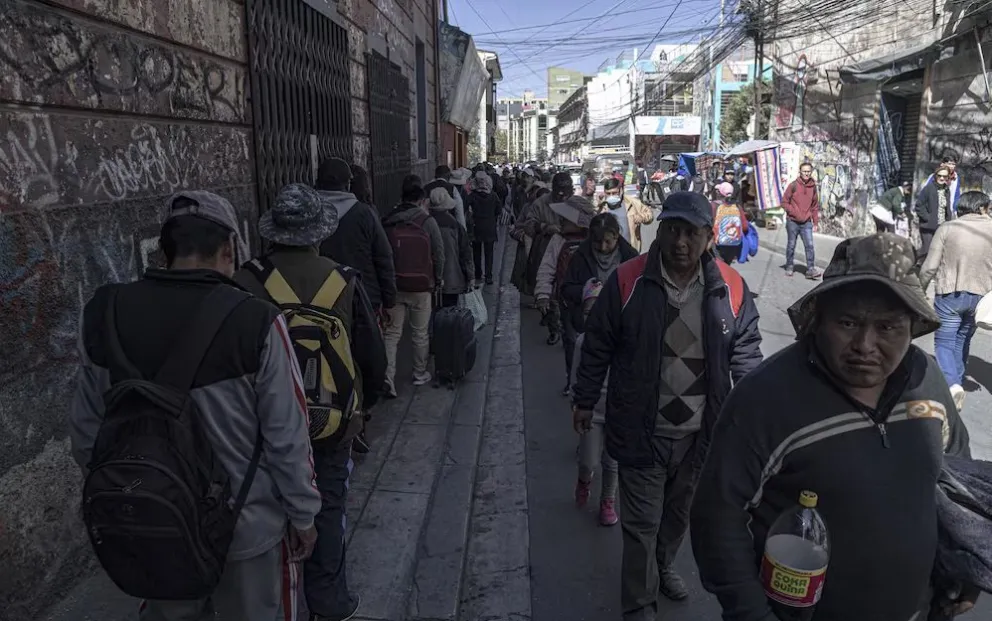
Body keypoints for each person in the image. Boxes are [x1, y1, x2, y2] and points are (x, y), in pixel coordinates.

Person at [691, 233, 976, 621]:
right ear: (817, 320)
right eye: (848, 322)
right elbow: (717, 516)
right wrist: (751, 613)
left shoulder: (926, 379)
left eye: (888, 327)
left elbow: (957, 485)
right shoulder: (765, 398)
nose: (865, 344)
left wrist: (962, 569)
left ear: (912, 327)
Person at [69, 191, 321, 620]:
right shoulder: (258, 320)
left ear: (165, 251)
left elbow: (87, 433)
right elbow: (287, 435)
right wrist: (303, 514)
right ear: (229, 249)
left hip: (158, 523)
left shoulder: (103, 312)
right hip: (246, 527)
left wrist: (136, 490)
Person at [572, 191, 763, 620]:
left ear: (709, 237)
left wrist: (754, 418)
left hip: (701, 434)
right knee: (640, 524)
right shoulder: (627, 279)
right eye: (672, 230)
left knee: (678, 517)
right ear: (659, 230)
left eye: (691, 233)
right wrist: (585, 400)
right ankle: (639, 604)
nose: (680, 242)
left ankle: (663, 564)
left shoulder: (731, 288)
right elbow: (597, 344)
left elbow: (747, 354)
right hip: (640, 427)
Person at [234, 184, 387, 621]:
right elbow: (371, 357)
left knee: (265, 505)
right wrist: (362, 408)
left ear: (274, 234)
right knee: (329, 506)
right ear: (319, 233)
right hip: (332, 423)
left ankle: (277, 595)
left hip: (263, 423)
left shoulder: (247, 280)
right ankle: (329, 601)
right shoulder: (344, 280)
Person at [921, 191, 992, 411]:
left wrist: (920, 288)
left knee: (944, 341)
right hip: (981, 296)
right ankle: (957, 380)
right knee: (963, 339)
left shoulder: (947, 228)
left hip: (949, 294)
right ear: (981, 207)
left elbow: (930, 266)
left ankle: (951, 384)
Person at [381, 175, 445, 395]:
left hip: (395, 286)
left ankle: (388, 378)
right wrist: (438, 279)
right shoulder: (428, 222)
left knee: (391, 333)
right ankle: (419, 373)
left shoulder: (388, 219)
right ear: (422, 198)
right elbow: (439, 253)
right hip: (421, 286)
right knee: (420, 333)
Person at [561, 213, 638, 396]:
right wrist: (587, 290)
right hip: (587, 323)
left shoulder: (630, 257)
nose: (603, 248)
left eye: (608, 242)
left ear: (616, 236)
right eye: (597, 242)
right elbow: (567, 288)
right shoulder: (580, 256)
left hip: (620, 323)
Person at [316, 158, 397, 314]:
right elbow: (383, 257)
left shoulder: (310, 214)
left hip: (321, 300)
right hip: (363, 297)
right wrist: (389, 301)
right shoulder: (365, 213)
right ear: (347, 185)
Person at [569, 278, 620, 527]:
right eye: (589, 312)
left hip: (617, 409)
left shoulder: (622, 341)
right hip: (591, 410)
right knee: (588, 460)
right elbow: (575, 374)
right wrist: (575, 403)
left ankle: (607, 501)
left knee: (612, 462)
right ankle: (584, 480)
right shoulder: (582, 342)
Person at [534, 194, 598, 385]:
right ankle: (572, 381)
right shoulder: (558, 240)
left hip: (595, 302)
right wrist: (543, 294)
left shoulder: (596, 239)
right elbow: (547, 267)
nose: (560, 221)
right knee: (570, 342)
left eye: (565, 218)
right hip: (567, 302)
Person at [427, 187, 474, 306]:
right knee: (449, 314)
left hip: (428, 279)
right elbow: (465, 253)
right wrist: (470, 276)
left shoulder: (424, 224)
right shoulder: (455, 226)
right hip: (452, 278)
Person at [782, 161, 824, 279]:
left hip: (806, 223)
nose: (806, 173)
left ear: (811, 172)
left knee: (809, 245)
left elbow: (815, 206)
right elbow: (784, 202)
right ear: (800, 172)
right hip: (792, 222)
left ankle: (810, 269)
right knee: (791, 245)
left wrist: (815, 222)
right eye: (804, 171)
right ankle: (790, 266)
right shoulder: (793, 185)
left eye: (808, 171)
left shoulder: (813, 187)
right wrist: (793, 212)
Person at [599, 178, 654, 252]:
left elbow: (649, 214)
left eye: (614, 193)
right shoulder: (601, 207)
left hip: (630, 250)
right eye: (608, 193)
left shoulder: (632, 203)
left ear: (621, 190)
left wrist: (641, 217)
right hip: (609, 253)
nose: (611, 196)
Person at [467, 171, 502, 285]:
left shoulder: (472, 196)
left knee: (476, 252)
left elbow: (465, 207)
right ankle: (488, 276)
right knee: (489, 252)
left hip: (476, 226)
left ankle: (478, 273)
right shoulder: (493, 196)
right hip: (490, 226)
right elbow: (499, 210)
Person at [915, 165, 955, 261]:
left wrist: (949, 222)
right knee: (927, 249)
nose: (941, 178)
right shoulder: (929, 188)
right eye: (939, 175)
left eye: (944, 176)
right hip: (928, 226)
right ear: (935, 176)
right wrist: (928, 218)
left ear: (948, 177)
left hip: (941, 226)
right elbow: (919, 205)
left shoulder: (946, 190)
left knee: (937, 250)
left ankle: (929, 269)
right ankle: (914, 262)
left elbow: (947, 208)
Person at [711, 181, 749, 265]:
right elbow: (745, 227)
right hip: (733, 243)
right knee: (727, 266)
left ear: (720, 193)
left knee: (718, 266)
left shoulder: (713, 206)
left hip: (717, 243)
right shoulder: (737, 207)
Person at [425, 165, 467, 230]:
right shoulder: (452, 188)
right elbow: (459, 211)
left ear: (435, 175)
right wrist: (463, 230)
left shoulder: (426, 187)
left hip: (430, 224)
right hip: (448, 224)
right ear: (448, 176)